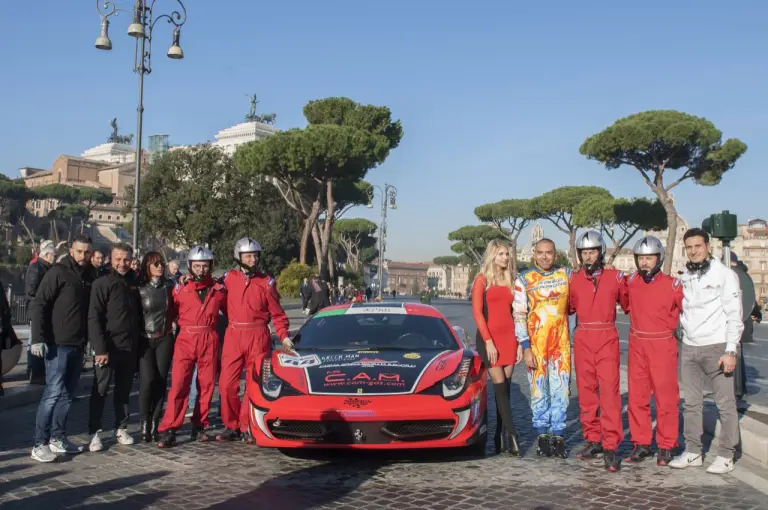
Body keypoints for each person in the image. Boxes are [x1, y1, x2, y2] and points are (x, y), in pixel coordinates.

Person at [669, 228, 743, 474]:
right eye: (689, 247)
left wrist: (731, 350)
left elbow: (735, 315)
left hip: (717, 346)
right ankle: (693, 452)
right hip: (689, 347)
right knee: (691, 403)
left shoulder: (725, 275)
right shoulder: (685, 276)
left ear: (708, 246)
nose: (693, 251)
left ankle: (726, 454)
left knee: (725, 404)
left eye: (698, 246)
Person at [217, 237, 291, 442]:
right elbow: (215, 297)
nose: (253, 259)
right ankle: (230, 425)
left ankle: (247, 424)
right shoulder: (228, 278)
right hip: (234, 334)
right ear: (238, 257)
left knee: (254, 384)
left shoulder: (266, 283)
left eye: (255, 255)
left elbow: (277, 314)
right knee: (226, 384)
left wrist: (284, 335)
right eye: (248, 255)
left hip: (258, 335)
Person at [29, 235, 94, 462]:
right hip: (57, 344)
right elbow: (39, 303)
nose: (83, 256)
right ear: (71, 250)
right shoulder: (57, 272)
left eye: (87, 252)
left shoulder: (88, 275)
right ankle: (39, 443)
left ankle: (57, 438)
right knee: (52, 394)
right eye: (79, 251)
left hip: (78, 344)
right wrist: (37, 338)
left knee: (67, 395)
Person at [157, 246, 227, 448]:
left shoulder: (219, 291)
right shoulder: (179, 288)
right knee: (179, 384)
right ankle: (170, 428)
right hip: (186, 338)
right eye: (197, 266)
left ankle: (200, 424)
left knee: (206, 385)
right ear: (189, 266)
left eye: (205, 266)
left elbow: (232, 311)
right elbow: (169, 313)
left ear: (211, 267)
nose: (201, 270)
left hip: (209, 337)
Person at [622, 236, 683, 467]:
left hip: (662, 344)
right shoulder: (630, 282)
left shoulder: (673, 284)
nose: (645, 263)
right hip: (637, 343)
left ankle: (667, 444)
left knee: (666, 398)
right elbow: (623, 303)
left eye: (649, 258)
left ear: (659, 258)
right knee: (637, 398)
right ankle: (641, 443)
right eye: (641, 259)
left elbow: (689, 310)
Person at [568, 230, 625, 471]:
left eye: (592, 252)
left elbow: (630, 302)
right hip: (583, 337)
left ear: (600, 252)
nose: (588, 256)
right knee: (587, 392)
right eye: (584, 252)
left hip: (606, 336)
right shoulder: (573, 279)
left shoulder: (616, 278)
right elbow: (569, 307)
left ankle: (611, 446)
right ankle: (593, 439)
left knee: (609, 393)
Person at [513, 238, 571, 459]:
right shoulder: (524, 279)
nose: (545, 257)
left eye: (549, 253)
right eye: (541, 253)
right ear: (534, 254)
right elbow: (519, 315)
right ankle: (542, 438)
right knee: (539, 392)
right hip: (536, 345)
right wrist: (525, 346)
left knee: (561, 392)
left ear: (556, 254)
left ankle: (558, 436)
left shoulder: (565, 275)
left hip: (561, 345)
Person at [87, 243, 142, 452]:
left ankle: (121, 427)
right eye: (118, 259)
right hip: (106, 347)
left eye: (126, 259)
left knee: (124, 390)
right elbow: (94, 317)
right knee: (100, 390)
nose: (122, 263)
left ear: (131, 259)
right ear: (111, 258)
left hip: (128, 347)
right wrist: (99, 348)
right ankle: (94, 432)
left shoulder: (134, 283)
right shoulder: (102, 283)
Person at [472, 240, 522, 455]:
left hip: (509, 338)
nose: (505, 257)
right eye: (501, 254)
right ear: (492, 255)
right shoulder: (481, 279)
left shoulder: (511, 279)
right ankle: (513, 435)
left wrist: (519, 343)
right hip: (489, 340)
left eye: (507, 254)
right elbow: (477, 313)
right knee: (499, 388)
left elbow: (517, 313)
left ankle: (499, 436)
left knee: (505, 391)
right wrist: (489, 341)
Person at [136, 252, 176, 442]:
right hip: (145, 339)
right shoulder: (140, 288)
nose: (160, 266)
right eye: (155, 264)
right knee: (147, 381)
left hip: (165, 338)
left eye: (162, 263)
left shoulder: (170, 286)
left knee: (161, 380)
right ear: (147, 266)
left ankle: (155, 421)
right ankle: (144, 421)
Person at [25, 241, 56, 384]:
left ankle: (40, 371)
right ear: (47, 255)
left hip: (44, 310)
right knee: (35, 341)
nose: (54, 258)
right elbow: (31, 290)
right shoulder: (36, 268)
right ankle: (35, 372)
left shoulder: (47, 268)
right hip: (37, 310)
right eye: (53, 255)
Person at [729, 252, 754, 400]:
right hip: (743, 321)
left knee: (734, 354)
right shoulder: (742, 273)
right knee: (738, 355)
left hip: (738, 322)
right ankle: (740, 386)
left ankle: (737, 389)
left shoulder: (734, 275)